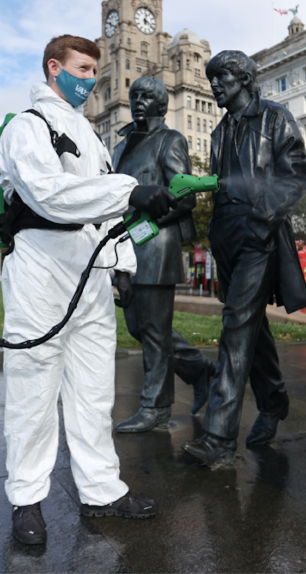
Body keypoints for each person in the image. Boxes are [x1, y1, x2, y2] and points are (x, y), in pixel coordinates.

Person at [0, 35, 177, 545]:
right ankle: (27, 500)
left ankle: (101, 490)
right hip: (41, 268)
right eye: (80, 69)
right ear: (54, 68)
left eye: (94, 71)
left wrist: (120, 263)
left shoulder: (92, 138)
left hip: (90, 273)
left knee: (94, 393)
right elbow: (51, 194)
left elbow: (102, 216)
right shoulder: (26, 127)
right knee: (33, 389)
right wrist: (129, 189)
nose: (89, 80)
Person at [181, 50, 306, 466]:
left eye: (221, 78)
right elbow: (222, 190)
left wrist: (262, 220)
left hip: (261, 234)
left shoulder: (275, 118)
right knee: (250, 326)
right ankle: (273, 402)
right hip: (228, 239)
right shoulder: (219, 132)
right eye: (211, 78)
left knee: (235, 327)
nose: (214, 85)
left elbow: (296, 174)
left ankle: (218, 437)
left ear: (243, 79)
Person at [112, 76, 215, 432]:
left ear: (162, 104)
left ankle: (155, 408)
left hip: (156, 247)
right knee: (140, 327)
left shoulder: (170, 140)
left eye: (148, 96)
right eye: (134, 95)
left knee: (155, 330)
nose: (139, 100)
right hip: (125, 248)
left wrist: (145, 224)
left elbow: (185, 196)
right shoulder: (120, 146)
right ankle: (201, 370)